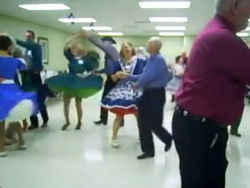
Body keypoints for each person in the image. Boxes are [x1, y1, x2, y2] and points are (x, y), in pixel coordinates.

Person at [172, 0, 250, 187]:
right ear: (234, 6)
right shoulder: (222, 37)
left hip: (194, 123)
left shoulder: (216, 31)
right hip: (201, 128)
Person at [118, 37, 172, 159]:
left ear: (155, 47)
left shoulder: (158, 59)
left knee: (155, 123)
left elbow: (148, 77)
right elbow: (144, 75)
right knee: (142, 122)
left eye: (149, 44)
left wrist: (136, 85)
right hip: (147, 94)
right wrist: (129, 76)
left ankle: (168, 138)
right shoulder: (151, 59)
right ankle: (148, 151)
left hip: (156, 94)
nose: (146, 45)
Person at [46, 39, 102, 131]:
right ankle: (67, 121)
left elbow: (92, 68)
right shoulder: (71, 58)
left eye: (78, 48)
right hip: (69, 82)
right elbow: (65, 48)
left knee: (78, 103)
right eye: (74, 48)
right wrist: (74, 38)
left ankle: (79, 121)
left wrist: (87, 74)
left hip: (80, 83)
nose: (76, 50)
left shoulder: (86, 59)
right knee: (66, 103)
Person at [101, 42, 146, 148]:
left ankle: (142, 136)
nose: (126, 48)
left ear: (132, 48)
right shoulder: (117, 62)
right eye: (123, 47)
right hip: (121, 90)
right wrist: (117, 75)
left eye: (128, 46)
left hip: (135, 90)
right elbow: (113, 78)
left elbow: (144, 76)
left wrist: (129, 75)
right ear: (121, 50)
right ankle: (113, 138)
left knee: (138, 115)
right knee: (119, 115)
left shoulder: (140, 61)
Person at [0, 34, 38, 157]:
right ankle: (21, 142)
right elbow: (25, 66)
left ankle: (1, 149)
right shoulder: (15, 60)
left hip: (1, 89)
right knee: (14, 116)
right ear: (9, 47)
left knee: (1, 119)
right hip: (13, 88)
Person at [16, 30, 48, 130]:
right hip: (27, 77)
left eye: (29, 36)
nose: (27, 38)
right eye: (26, 36)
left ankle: (45, 120)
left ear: (33, 37)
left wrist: (12, 40)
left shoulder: (36, 46)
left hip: (35, 77)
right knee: (29, 100)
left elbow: (26, 45)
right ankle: (34, 123)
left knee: (39, 99)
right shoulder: (27, 50)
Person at [94, 37, 118, 126]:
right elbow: (108, 68)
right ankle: (104, 119)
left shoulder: (110, 53)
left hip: (113, 79)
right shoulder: (110, 53)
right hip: (112, 79)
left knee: (107, 100)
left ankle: (104, 120)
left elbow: (110, 68)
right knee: (115, 100)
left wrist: (100, 72)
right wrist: (99, 71)